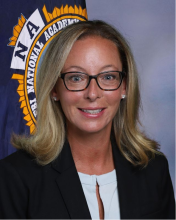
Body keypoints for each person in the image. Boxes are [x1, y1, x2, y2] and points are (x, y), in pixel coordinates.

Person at [0, 20, 175, 220]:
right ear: (54, 89)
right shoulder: (15, 178)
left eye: (108, 77)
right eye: (76, 78)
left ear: (124, 86)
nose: (93, 94)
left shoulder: (153, 169)